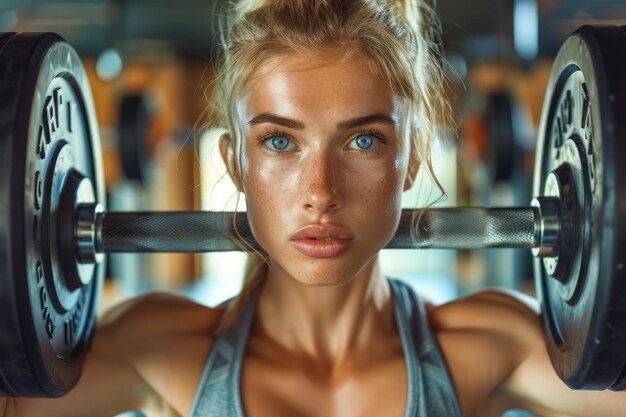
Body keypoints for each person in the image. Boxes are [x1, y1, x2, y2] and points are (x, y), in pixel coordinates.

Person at [2, 1, 626, 416]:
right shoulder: (158, 347)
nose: (320, 190)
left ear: (410, 160)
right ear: (233, 162)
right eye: (279, 141)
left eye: (363, 141)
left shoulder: (489, 344)